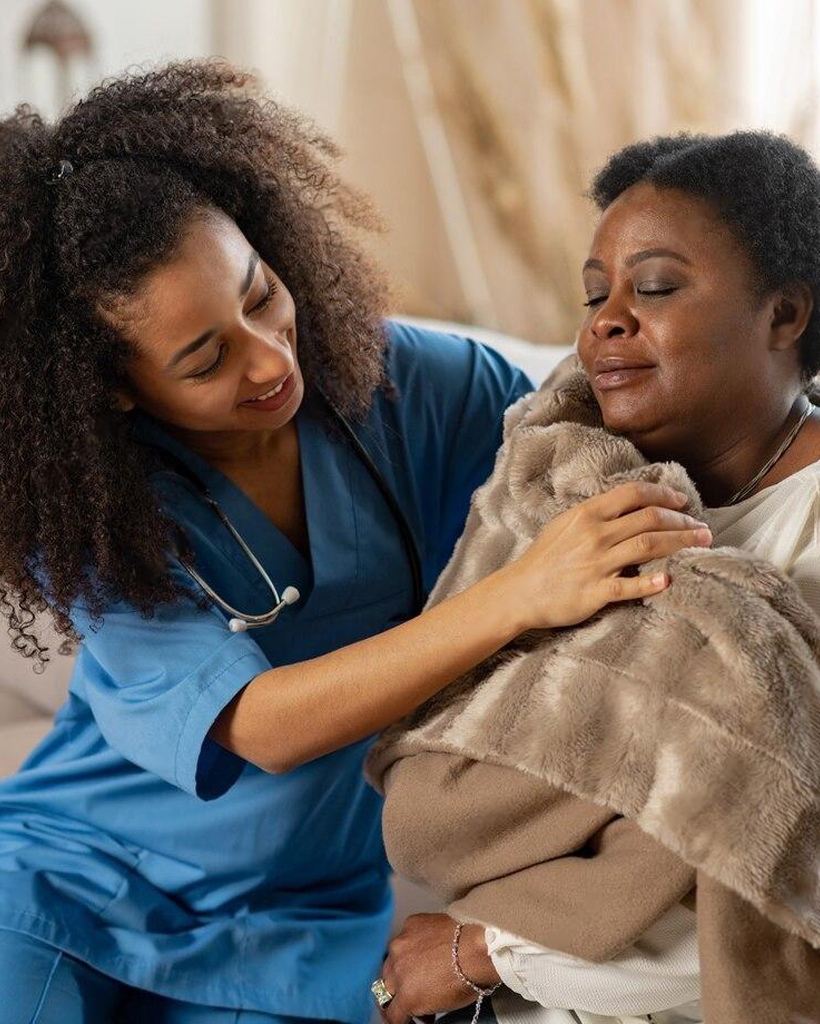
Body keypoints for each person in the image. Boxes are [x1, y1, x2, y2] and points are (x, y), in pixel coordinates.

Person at [0, 60, 706, 1024]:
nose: (270, 356)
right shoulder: (92, 515)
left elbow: (588, 436)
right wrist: (517, 594)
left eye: (260, 293)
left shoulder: (413, 387)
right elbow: (260, 726)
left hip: (301, 926)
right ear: (113, 390)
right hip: (62, 888)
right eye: (205, 358)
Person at [379, 129, 820, 1024]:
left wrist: (488, 950)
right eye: (595, 293)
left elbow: (780, 890)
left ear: (784, 315)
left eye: (653, 287)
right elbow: (442, 781)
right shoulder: (557, 487)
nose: (605, 321)